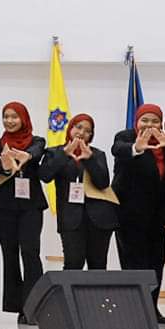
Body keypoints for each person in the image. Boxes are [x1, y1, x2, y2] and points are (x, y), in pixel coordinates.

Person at [111, 103, 165, 324]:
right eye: (145, 120)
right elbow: (118, 149)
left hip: (156, 215)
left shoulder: (164, 143)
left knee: (156, 262)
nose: (149, 125)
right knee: (133, 262)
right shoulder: (126, 137)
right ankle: (135, 308)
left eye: (155, 121)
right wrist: (137, 147)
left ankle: (152, 308)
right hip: (129, 214)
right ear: (136, 121)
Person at [0, 102, 47, 322]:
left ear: (24, 118)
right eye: (6, 116)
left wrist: (26, 156)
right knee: (10, 254)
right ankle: (16, 305)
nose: (10, 121)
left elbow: (37, 152)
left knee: (30, 253)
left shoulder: (37, 141)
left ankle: (35, 307)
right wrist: (6, 164)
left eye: (14, 116)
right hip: (4, 207)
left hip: (31, 207)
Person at [39, 113, 115, 271]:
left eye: (87, 131)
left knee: (98, 266)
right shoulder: (54, 152)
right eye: (78, 127)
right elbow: (45, 176)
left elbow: (103, 183)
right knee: (73, 263)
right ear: (70, 128)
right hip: (70, 218)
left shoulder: (97, 154)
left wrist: (89, 159)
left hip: (99, 219)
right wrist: (65, 153)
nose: (82, 133)